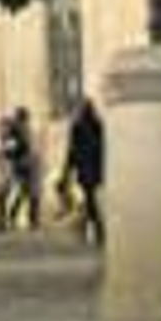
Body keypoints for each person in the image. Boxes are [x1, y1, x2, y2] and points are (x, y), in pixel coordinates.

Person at [59, 94, 106, 247]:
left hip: (87, 169)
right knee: (91, 199)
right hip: (95, 168)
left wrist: (66, 172)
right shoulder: (97, 124)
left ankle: (93, 229)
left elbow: (71, 151)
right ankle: (94, 229)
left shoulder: (79, 126)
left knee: (90, 199)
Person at [1, 106, 40, 230]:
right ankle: (18, 217)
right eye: (24, 118)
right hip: (19, 164)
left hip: (25, 163)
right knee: (25, 191)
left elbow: (23, 146)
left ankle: (18, 216)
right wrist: (17, 151)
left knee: (26, 191)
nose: (26, 121)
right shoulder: (14, 130)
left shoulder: (23, 130)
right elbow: (10, 147)